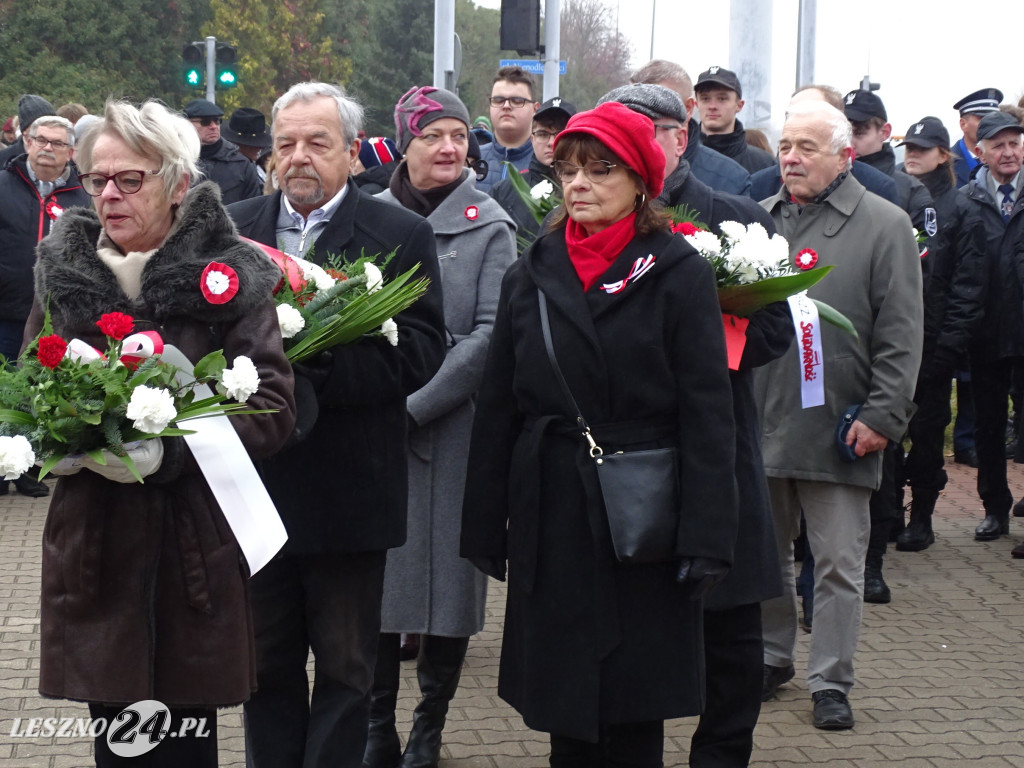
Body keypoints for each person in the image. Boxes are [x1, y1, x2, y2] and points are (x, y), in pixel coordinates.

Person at [461, 100, 738, 767]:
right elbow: (499, 406)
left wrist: (706, 534)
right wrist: (483, 524)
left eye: (600, 170)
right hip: (552, 506)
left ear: (642, 180)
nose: (578, 184)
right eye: (568, 170)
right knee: (567, 707)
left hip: (641, 513)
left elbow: (707, 411)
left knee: (632, 706)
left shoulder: (678, 273)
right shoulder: (531, 274)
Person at [24, 98, 296, 767]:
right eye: (97, 180)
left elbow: (271, 405)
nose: (108, 194)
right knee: (118, 747)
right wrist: (64, 434)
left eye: (129, 179)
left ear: (176, 183)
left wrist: (164, 448)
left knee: (182, 750)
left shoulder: (229, 277)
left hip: (191, 557)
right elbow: (31, 387)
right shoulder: (63, 275)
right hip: (96, 552)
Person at [226, 81, 446, 768]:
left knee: (349, 672)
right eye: (286, 143)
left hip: (352, 493)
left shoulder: (398, 233)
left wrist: (313, 369)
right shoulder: (233, 230)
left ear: (352, 153)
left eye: (317, 143)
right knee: (264, 668)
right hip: (256, 495)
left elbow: (420, 351)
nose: (298, 157)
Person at [607, 81, 791, 768]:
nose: (627, 147)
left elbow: (776, 330)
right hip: (628, 467)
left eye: (644, 130)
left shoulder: (739, 218)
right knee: (637, 646)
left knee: (732, 650)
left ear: (679, 138)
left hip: (720, 455)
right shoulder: (594, 223)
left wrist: (698, 333)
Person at [757, 100, 922, 730]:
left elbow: (903, 334)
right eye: (785, 146)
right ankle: (772, 659)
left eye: (806, 147)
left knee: (836, 563)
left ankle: (831, 679)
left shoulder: (885, 225)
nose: (791, 158)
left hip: (840, 426)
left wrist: (884, 414)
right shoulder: (759, 221)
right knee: (765, 556)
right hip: (764, 421)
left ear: (844, 156)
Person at [364, 85, 516, 768]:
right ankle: (375, 727)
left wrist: (416, 406)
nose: (450, 147)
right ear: (406, 141)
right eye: (433, 135)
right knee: (375, 584)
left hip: (455, 434)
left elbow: (489, 337)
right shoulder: (369, 218)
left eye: (459, 134)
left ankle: (429, 725)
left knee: (449, 591)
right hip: (372, 431)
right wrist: (378, 405)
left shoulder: (492, 225)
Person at [842, 88, 937, 604]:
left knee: (884, 456)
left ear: (883, 131)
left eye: (862, 128)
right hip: (828, 349)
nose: (854, 137)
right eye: (847, 128)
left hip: (885, 343)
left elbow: (924, 278)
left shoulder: (901, 192)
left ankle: (873, 561)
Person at [896, 116, 987, 553]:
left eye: (923, 148)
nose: (913, 153)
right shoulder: (896, 196)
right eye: (909, 146)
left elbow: (968, 284)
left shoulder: (961, 208)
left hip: (935, 343)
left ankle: (923, 515)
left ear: (942, 154)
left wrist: (950, 344)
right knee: (888, 432)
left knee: (928, 434)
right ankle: (891, 512)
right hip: (898, 338)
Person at [0, 113, 90, 497]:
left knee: (33, 391)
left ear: (71, 152)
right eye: (41, 140)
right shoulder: (3, 187)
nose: (47, 148)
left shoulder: (83, 198)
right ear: (26, 142)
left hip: (52, 319)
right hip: (4, 311)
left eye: (57, 143)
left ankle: (26, 469)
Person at [957, 110, 1024, 550]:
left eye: (1015, 142)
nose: (1008, 152)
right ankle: (994, 509)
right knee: (987, 424)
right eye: (998, 145)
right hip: (983, 333)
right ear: (979, 152)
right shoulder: (965, 201)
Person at [749, 86, 898, 205]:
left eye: (811, 113)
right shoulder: (758, 185)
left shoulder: (876, 187)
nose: (799, 120)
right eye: (791, 114)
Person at [629, 59, 751, 196]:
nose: (641, 117)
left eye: (657, 105)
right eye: (632, 106)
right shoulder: (614, 166)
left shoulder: (733, 179)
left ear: (688, 108)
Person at [490, 96, 576, 250]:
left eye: (560, 133)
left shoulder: (586, 191)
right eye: (543, 134)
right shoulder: (503, 192)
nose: (551, 142)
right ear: (532, 139)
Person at [695, 66, 775, 173]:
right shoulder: (679, 158)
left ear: (739, 105)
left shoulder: (764, 164)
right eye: (705, 99)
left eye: (722, 99)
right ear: (696, 104)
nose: (712, 106)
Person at [183, 98, 262, 205]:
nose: (214, 126)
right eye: (205, 122)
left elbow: (254, 207)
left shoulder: (241, 164)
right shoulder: (176, 161)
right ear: (187, 124)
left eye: (217, 121)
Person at [477, 65, 539, 192]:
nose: (506, 106)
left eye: (516, 100)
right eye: (498, 100)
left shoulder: (547, 163)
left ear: (535, 109)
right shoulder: (471, 160)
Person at [952, 88, 1002, 189]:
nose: (990, 124)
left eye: (994, 118)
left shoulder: (1009, 158)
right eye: (982, 119)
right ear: (963, 124)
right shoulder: (945, 165)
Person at [221, 107, 273, 185]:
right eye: (255, 144)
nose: (262, 147)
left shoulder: (255, 166)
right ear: (241, 144)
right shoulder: (231, 172)